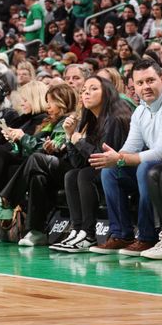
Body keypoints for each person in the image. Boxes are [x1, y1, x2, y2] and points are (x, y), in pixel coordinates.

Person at [88, 59, 162, 256]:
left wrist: (121, 159)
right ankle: (121, 234)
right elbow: (130, 147)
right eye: (140, 83)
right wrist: (115, 157)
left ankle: (147, 237)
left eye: (150, 80)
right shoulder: (140, 111)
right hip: (157, 169)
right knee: (110, 171)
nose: (145, 87)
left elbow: (161, 152)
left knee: (145, 167)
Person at [51, 77, 131, 253]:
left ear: (107, 93)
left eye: (93, 88)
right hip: (103, 170)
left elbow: (100, 158)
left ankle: (88, 234)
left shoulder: (116, 118)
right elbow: (78, 163)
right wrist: (69, 136)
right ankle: (77, 229)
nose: (86, 92)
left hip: (123, 170)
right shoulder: (92, 120)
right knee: (72, 174)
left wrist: (79, 141)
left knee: (84, 175)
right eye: (84, 90)